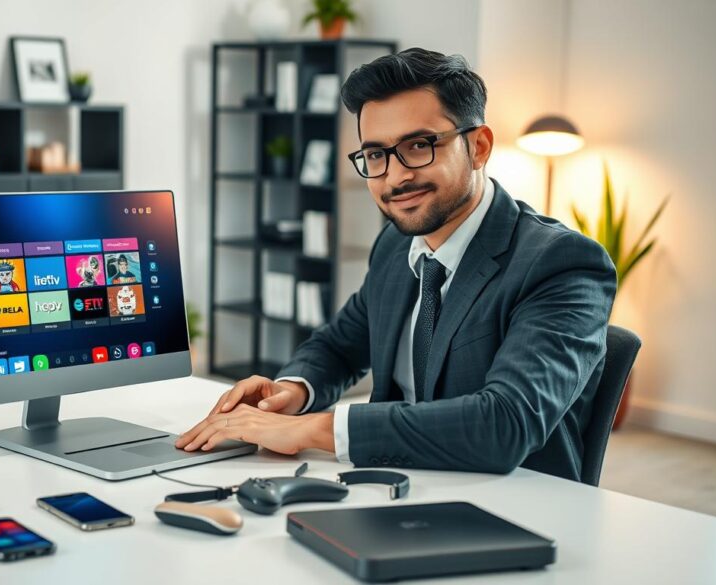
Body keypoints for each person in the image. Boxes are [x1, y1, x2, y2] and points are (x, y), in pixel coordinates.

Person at [176, 48, 617, 482]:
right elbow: (340, 345)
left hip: (510, 506)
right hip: (397, 483)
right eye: (375, 155)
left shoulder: (562, 263)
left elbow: (505, 423)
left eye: (419, 145)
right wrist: (292, 391)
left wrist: (315, 428)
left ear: (479, 147)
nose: (395, 176)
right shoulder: (396, 244)